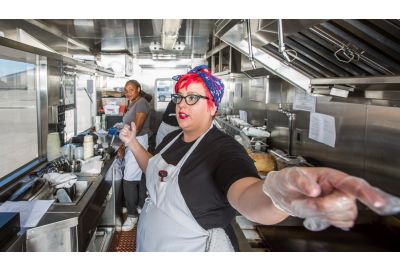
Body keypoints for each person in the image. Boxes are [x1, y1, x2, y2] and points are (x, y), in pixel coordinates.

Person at [119, 65, 400, 251]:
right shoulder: (171, 139)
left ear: (213, 106)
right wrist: (132, 143)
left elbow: (248, 196)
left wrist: (278, 196)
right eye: (180, 97)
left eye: (193, 98)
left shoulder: (223, 150)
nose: (182, 104)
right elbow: (153, 169)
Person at [120, 79, 151, 231]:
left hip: (137, 140)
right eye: (126, 90)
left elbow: (137, 127)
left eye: (131, 90)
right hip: (133, 140)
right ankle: (137, 206)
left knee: (129, 178)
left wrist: (124, 144)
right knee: (136, 176)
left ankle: (132, 216)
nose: (128, 93)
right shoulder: (133, 102)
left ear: (138, 89)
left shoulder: (142, 103)